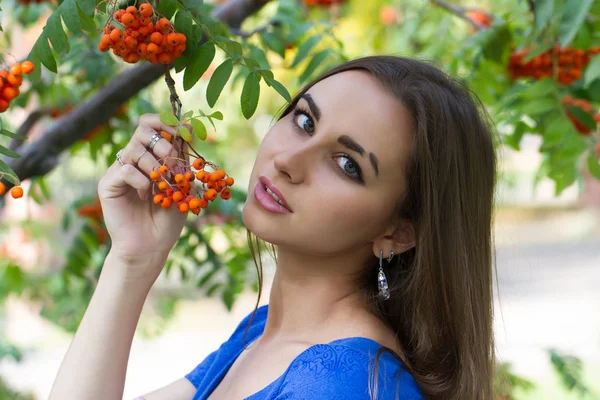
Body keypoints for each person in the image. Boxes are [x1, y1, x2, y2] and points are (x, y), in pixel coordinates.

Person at [48, 55, 497, 400]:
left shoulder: (344, 384)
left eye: (347, 164)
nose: (287, 161)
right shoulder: (263, 334)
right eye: (304, 121)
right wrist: (133, 259)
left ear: (398, 232)